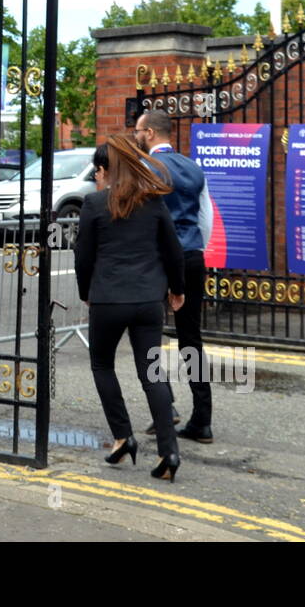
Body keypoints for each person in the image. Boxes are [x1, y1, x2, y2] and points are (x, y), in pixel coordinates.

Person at [74, 135, 186, 481]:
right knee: (151, 372)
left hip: (108, 298)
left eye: (98, 170)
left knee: (102, 365)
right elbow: (173, 250)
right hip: (148, 300)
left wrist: (86, 292)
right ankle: (169, 451)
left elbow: (83, 258)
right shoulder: (152, 203)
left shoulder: (94, 204)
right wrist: (177, 290)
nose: (96, 176)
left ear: (107, 170)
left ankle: (123, 437)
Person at [135, 108, 215, 444]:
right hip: (192, 257)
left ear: (151, 133)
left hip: (157, 259)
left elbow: (138, 219)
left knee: (147, 335)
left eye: (138, 129)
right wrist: (193, 251)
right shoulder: (194, 168)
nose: (136, 135)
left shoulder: (145, 168)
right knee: (190, 339)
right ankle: (202, 419)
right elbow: (206, 220)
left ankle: (165, 407)